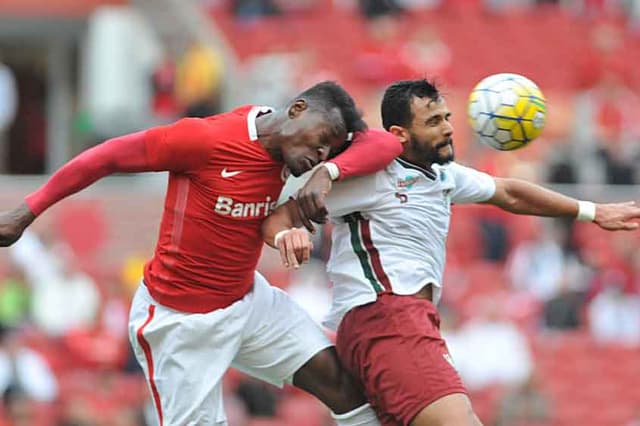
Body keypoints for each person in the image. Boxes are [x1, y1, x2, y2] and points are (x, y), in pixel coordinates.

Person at [0, 81, 404, 425]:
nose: (318, 156)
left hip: (249, 303)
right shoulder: (206, 140)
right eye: (319, 146)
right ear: (297, 109)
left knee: (346, 387)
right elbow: (104, 158)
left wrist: (328, 172)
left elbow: (386, 142)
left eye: (327, 152)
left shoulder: (301, 154)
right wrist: (26, 211)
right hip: (180, 323)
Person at [262, 79, 640, 426]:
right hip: (387, 317)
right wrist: (285, 236)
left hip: (409, 321)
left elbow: (509, 191)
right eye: (433, 121)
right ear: (399, 135)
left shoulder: (444, 175)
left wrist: (593, 211)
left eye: (446, 116)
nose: (447, 127)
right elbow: (283, 213)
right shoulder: (371, 176)